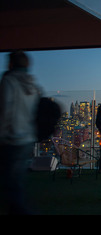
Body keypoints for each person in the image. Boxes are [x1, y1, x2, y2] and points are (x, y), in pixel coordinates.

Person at [0, 51, 40, 214]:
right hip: (28, 137)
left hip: (11, 137)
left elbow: (5, 110)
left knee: (11, 182)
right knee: (16, 180)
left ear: (11, 64)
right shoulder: (32, 84)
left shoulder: (9, 81)